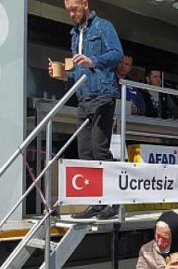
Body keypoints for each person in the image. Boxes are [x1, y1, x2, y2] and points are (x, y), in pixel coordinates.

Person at [51, 0, 123, 220]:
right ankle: (96, 204)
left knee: (99, 149)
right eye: (69, 11)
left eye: (75, 9)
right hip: (83, 97)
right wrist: (65, 75)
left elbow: (118, 55)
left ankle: (114, 203)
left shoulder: (103, 26)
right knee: (85, 152)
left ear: (85, 3)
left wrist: (94, 61)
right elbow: (79, 73)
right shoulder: (75, 35)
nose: (72, 14)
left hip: (103, 95)